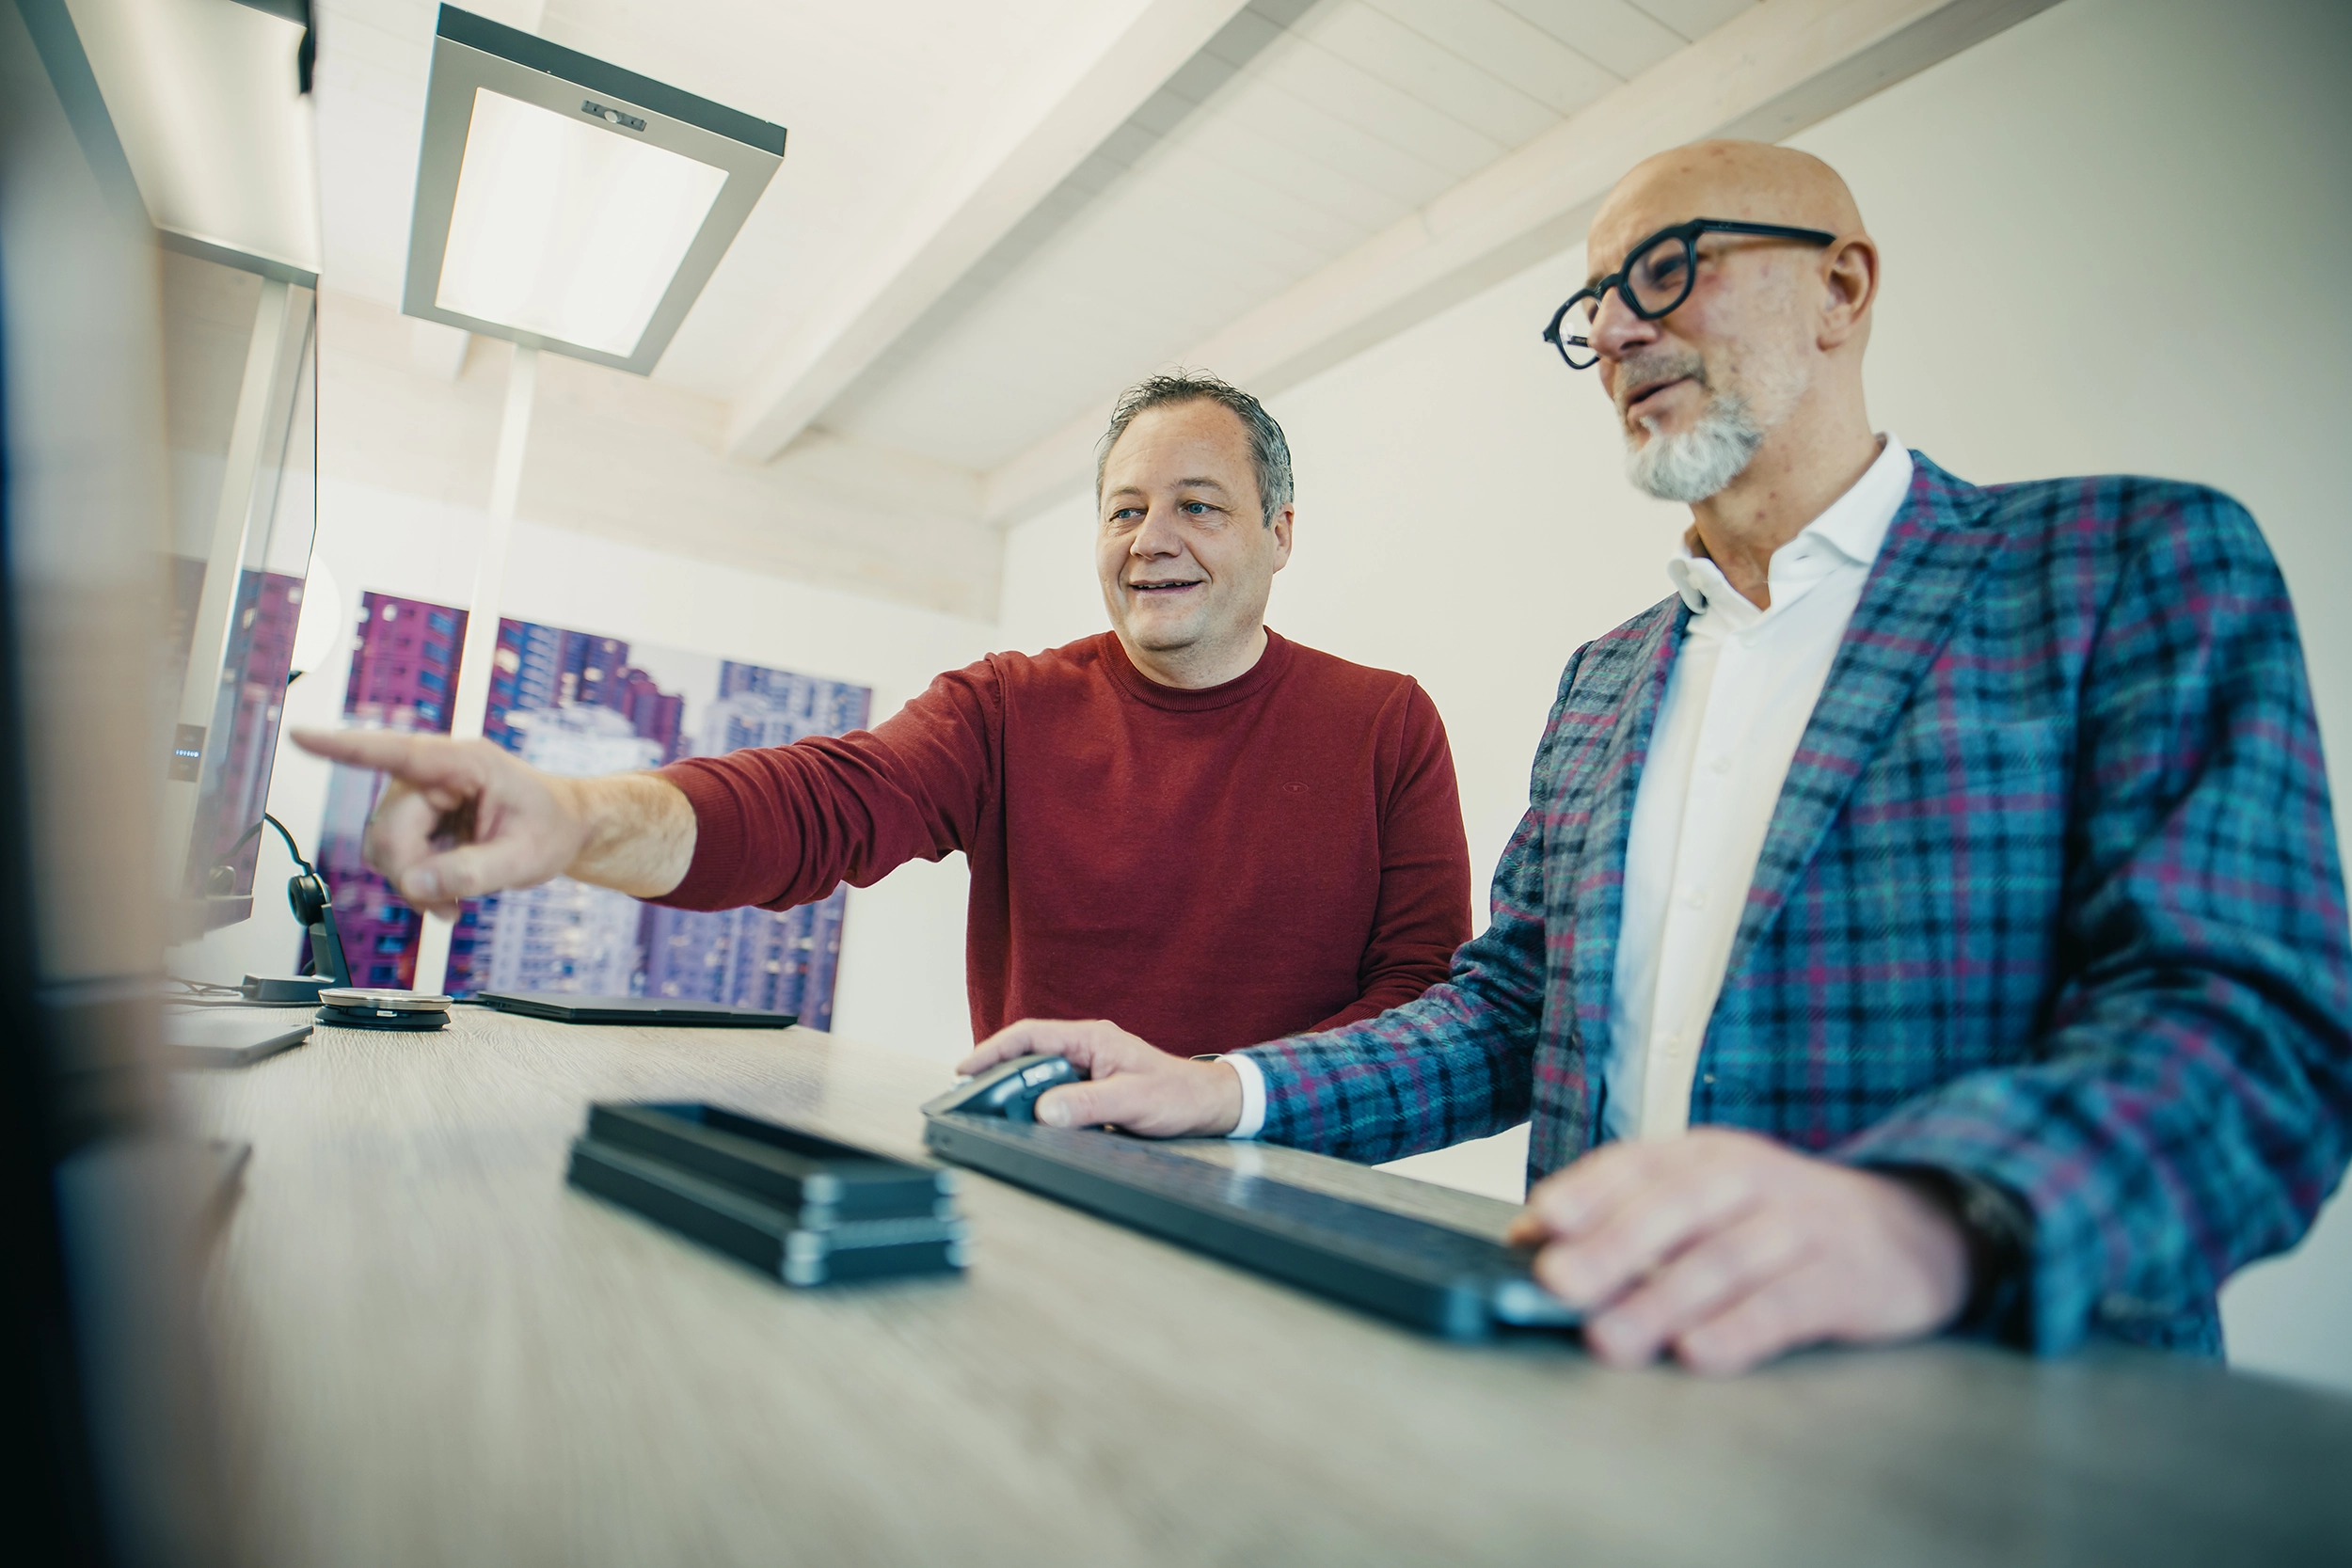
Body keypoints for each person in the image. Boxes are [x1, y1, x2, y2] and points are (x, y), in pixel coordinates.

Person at [959, 141, 2352, 1374]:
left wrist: (1928, 1218)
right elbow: (1510, 1013)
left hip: (2008, 1441)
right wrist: (1224, 1085)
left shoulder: (2127, 566)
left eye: (1670, 269)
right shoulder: (1609, 678)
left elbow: (2251, 1029)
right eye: (1594, 308)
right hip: (1606, 1409)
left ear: (1845, 288)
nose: (1619, 328)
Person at [294, 373, 1471, 1056]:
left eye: (1198, 505)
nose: (1149, 538)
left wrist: (1223, 1097)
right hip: (1038, 1177)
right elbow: (813, 805)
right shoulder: (1011, 706)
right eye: (1122, 510)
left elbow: (1422, 999)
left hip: (1288, 1208)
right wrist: (576, 818)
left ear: (1280, 530)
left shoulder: (1385, 724)